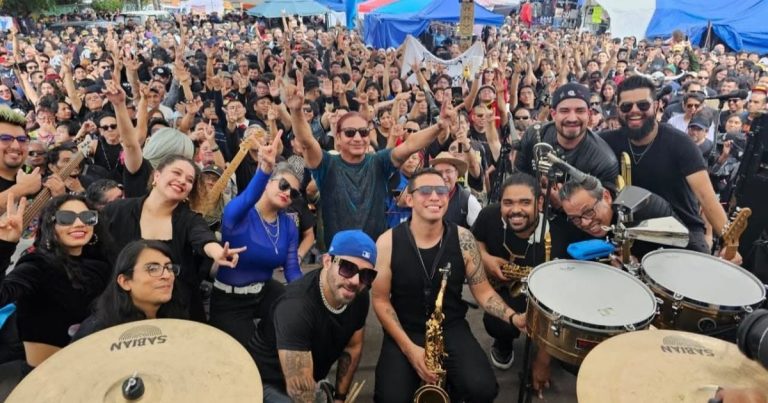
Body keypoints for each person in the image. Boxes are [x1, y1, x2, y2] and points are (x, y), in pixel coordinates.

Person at [372, 168, 527, 402]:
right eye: (425, 191)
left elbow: (483, 292)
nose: (435, 196)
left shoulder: (464, 239)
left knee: (483, 389)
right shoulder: (386, 243)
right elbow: (380, 300)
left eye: (441, 190)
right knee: (390, 398)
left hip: (451, 325)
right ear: (409, 199)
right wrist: (409, 349)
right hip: (405, 329)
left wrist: (514, 318)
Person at [287, 72, 459, 249]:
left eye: (363, 132)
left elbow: (410, 145)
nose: (357, 138)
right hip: (338, 255)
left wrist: (439, 126)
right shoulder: (327, 164)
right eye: (350, 133)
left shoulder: (378, 162)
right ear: (337, 137)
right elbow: (307, 141)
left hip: (376, 253)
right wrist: (296, 111)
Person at [600, 75, 734, 257]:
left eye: (643, 105)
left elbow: (707, 198)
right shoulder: (607, 141)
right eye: (626, 106)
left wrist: (730, 242)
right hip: (631, 235)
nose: (634, 111)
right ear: (618, 110)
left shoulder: (681, 143)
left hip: (682, 233)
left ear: (656, 106)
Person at [102, 154, 245, 321]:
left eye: (189, 180)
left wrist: (217, 252)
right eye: (176, 173)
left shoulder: (190, 219)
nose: (183, 181)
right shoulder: (117, 210)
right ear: (157, 176)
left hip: (177, 312)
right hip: (123, 309)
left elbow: (203, 237)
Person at [248, 230, 376, 403]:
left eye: (366, 275)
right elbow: (300, 391)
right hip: (266, 383)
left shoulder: (358, 295)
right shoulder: (296, 306)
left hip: (312, 380)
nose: (355, 281)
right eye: (347, 268)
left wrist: (339, 398)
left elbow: (352, 348)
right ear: (327, 261)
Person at [0, 194, 112, 369]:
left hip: (95, 365)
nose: (79, 223)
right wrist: (4, 246)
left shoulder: (101, 265)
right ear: (50, 225)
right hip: (46, 375)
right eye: (66, 218)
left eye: (87, 217)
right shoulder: (37, 265)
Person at [210, 138, 302, 347]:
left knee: (296, 323)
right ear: (268, 183)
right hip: (230, 300)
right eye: (284, 185)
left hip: (265, 293)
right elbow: (249, 197)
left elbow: (292, 270)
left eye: (294, 192)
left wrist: (310, 295)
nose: (287, 193)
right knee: (250, 354)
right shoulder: (238, 213)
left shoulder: (288, 224)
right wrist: (265, 170)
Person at [515, 83, 619, 258]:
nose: (572, 118)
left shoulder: (604, 159)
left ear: (589, 114)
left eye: (579, 110)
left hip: (577, 235)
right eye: (564, 111)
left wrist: (564, 206)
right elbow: (517, 178)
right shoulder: (534, 135)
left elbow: (603, 219)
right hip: (532, 218)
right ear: (553, 114)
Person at [471, 173, 546, 371]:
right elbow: (475, 240)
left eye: (525, 202)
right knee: (497, 322)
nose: (516, 210)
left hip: (543, 296)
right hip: (503, 288)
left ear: (539, 203)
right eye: (508, 203)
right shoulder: (489, 215)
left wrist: (543, 361)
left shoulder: (554, 231)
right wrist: (485, 259)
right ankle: (504, 342)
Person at [73, 240, 187, 340]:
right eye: (152, 269)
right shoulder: (97, 331)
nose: (167, 275)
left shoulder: (177, 319)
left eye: (169, 267)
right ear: (125, 282)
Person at [560, 175, 678, 259]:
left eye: (588, 212)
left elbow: (685, 256)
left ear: (606, 197)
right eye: (575, 218)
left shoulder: (649, 211)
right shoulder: (573, 220)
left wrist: (639, 268)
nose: (585, 223)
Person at [428, 151, 482, 228]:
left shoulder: (468, 201)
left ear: (456, 174)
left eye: (448, 171)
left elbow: (480, 232)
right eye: (439, 172)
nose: (444, 176)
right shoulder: (425, 197)